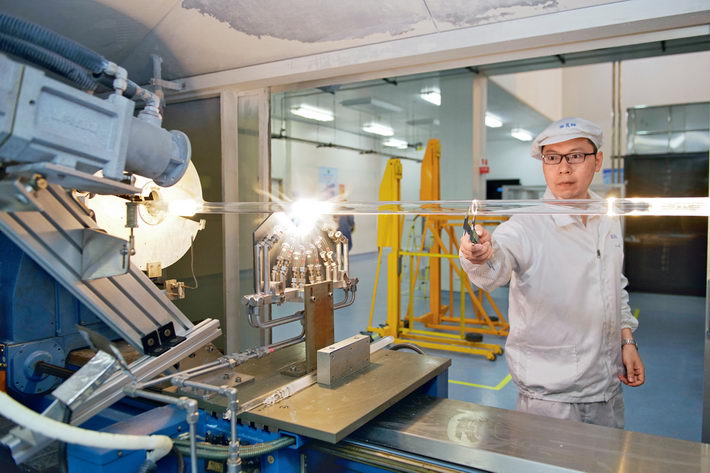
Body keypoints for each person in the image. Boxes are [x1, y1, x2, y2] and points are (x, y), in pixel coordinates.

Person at [459, 117, 644, 429]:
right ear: (543, 164)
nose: (564, 168)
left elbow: (616, 287)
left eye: (575, 156)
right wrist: (478, 255)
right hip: (550, 396)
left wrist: (627, 341)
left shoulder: (608, 219)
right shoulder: (525, 224)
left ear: (596, 161)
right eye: (552, 158)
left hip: (608, 384)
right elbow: (493, 270)